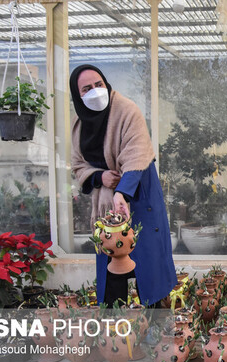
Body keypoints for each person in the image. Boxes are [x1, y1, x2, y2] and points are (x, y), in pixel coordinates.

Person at [69, 64, 176, 307]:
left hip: (138, 195)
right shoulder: (79, 124)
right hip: (106, 207)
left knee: (148, 266)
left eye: (99, 85)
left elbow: (136, 153)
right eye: (86, 89)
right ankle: (115, 331)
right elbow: (78, 165)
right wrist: (100, 177)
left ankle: (156, 328)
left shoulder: (127, 110)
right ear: (78, 95)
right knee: (112, 264)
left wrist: (122, 193)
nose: (95, 91)